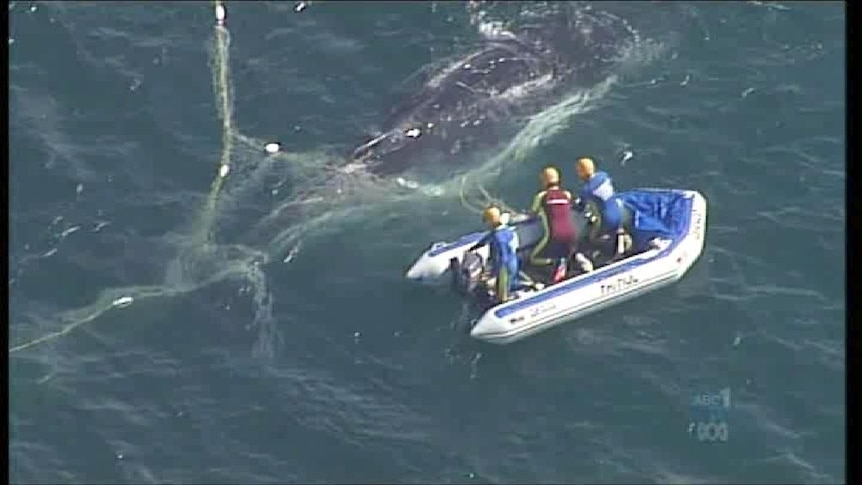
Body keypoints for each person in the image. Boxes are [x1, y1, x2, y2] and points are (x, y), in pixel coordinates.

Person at [528, 167, 582, 283]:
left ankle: (556, 263)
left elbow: (532, 215)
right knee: (566, 251)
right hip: (572, 235)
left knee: (533, 259)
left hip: (554, 236)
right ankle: (572, 259)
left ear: (544, 181)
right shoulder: (566, 194)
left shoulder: (541, 196)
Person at [575, 157, 629, 258]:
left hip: (607, 221)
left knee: (592, 238)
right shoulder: (604, 175)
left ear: (581, 173)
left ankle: (608, 252)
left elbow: (580, 207)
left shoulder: (587, 190)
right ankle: (620, 237)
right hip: (619, 212)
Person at [468, 206, 520, 304]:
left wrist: (493, 272)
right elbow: (487, 239)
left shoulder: (498, 238)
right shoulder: (505, 231)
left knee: (502, 296)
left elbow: (502, 258)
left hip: (505, 268)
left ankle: (511, 297)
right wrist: (473, 249)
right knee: (502, 285)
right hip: (512, 261)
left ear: (490, 222)